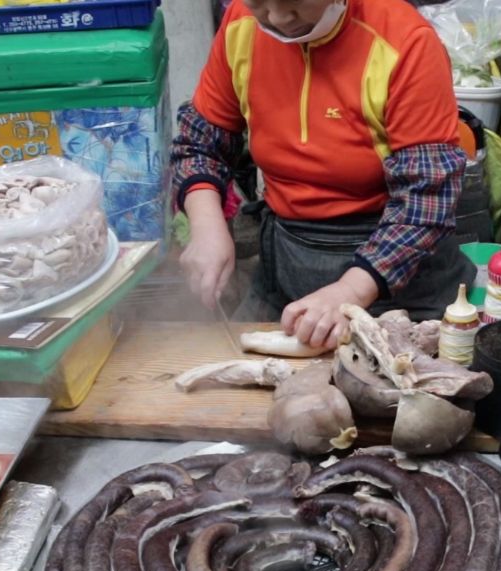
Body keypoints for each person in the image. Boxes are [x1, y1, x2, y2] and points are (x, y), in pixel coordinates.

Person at [172, 0, 475, 349]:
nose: (278, 17)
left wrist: (349, 292)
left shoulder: (406, 42)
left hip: (398, 276)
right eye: (258, 2)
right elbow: (199, 143)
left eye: (297, 2)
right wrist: (207, 227)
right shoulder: (241, 25)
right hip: (286, 263)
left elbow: (426, 202)